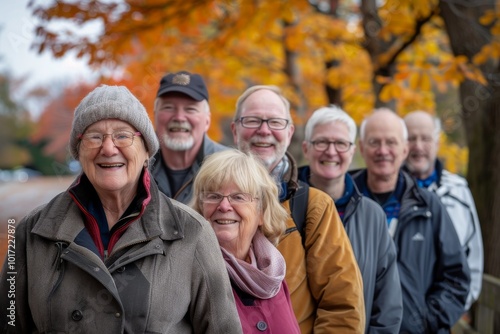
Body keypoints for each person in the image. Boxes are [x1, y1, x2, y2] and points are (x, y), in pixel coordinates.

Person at [0, 85, 242, 334]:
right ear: (79, 151)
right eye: (94, 136)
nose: (108, 148)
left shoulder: (192, 232)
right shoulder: (31, 233)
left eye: (123, 135)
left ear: (147, 150)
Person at [231, 85, 365, 333]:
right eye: (252, 120)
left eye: (275, 122)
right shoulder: (208, 203)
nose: (264, 130)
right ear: (234, 129)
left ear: (290, 132)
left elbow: (342, 309)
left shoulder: (314, 207)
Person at [351, 108, 470, 333]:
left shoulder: (429, 205)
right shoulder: (345, 201)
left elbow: (456, 277)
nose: (383, 151)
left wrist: (427, 321)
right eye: (375, 142)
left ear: (404, 149)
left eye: (391, 142)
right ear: (362, 148)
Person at [298, 105, 403, 333]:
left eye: (341, 143)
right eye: (321, 142)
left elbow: (387, 303)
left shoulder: (372, 215)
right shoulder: (282, 205)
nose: (331, 151)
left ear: (353, 150)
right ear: (306, 149)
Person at [191, 149, 301, 334]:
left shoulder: (274, 276)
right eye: (213, 196)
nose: (224, 206)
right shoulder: (189, 275)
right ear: (200, 209)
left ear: (261, 213)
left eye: (238, 197)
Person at [404, 110, 483, 311]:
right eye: (411, 138)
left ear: (438, 143)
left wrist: (446, 313)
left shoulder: (458, 190)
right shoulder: (388, 190)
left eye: (426, 138)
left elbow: (473, 257)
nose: (418, 146)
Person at [151, 70, 228, 204]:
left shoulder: (229, 167)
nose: (179, 117)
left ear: (207, 121)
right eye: (169, 107)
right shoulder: (137, 166)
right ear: (155, 116)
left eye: (190, 109)